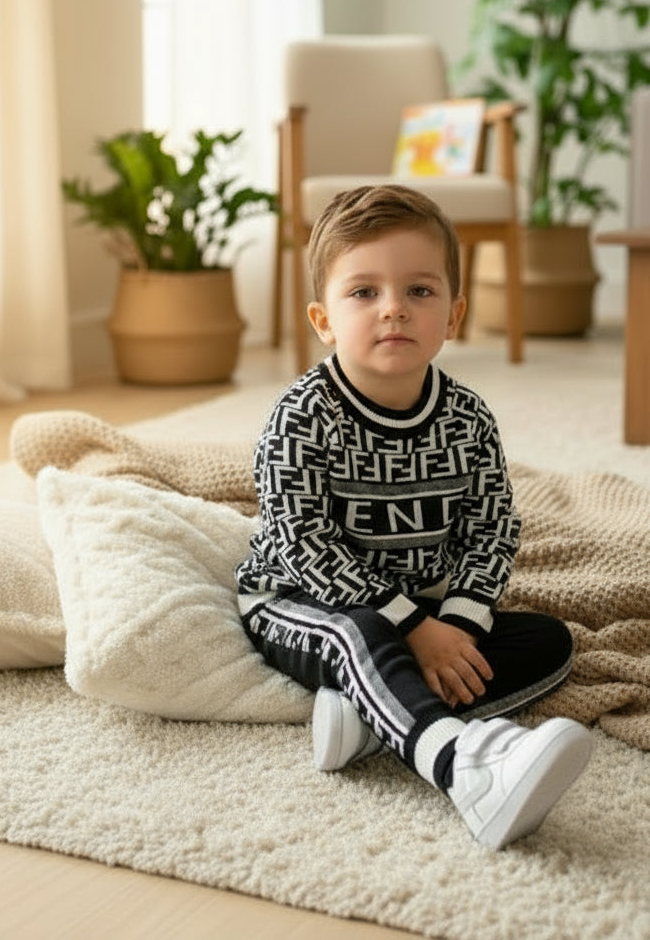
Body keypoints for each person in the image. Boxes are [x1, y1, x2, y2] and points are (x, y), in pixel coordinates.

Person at [235, 184, 590, 850]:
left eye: (419, 292)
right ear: (323, 319)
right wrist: (412, 626)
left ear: (453, 314)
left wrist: (453, 622)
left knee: (550, 640)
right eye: (364, 292)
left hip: (421, 610)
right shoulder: (300, 419)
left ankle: (370, 718)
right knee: (359, 633)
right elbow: (306, 548)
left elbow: (491, 529)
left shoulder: (467, 419)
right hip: (301, 602)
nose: (393, 308)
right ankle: (466, 769)